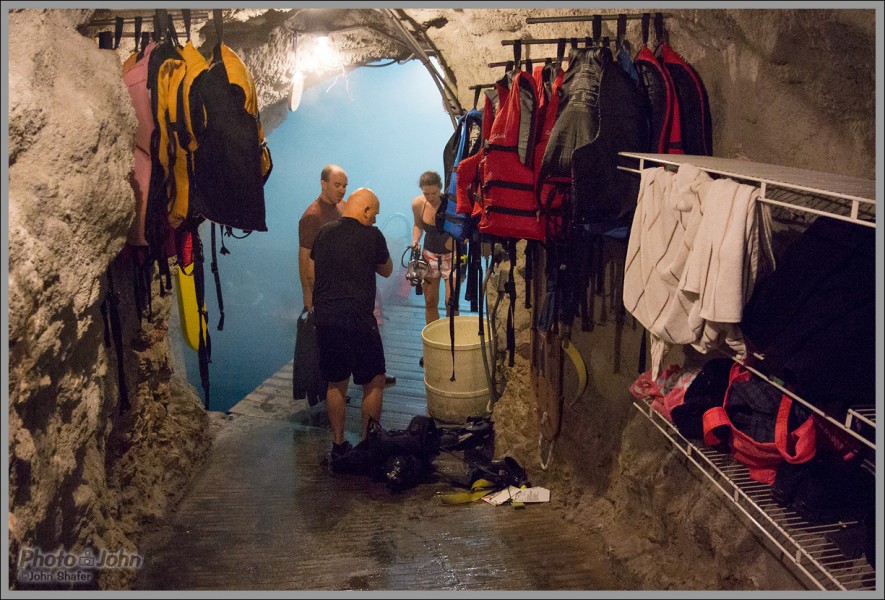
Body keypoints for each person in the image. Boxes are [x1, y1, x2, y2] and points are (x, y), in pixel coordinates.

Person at [311, 188, 393, 459]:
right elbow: (387, 269)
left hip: (325, 317)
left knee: (336, 382)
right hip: (357, 318)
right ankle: (370, 445)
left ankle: (338, 443)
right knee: (374, 379)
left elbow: (315, 266)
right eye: (374, 214)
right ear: (365, 210)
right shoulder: (372, 235)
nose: (375, 220)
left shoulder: (323, 232)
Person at [298, 165, 395, 389]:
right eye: (336, 185)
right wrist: (308, 293)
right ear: (323, 183)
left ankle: (369, 375)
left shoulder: (344, 207)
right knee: (334, 362)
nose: (341, 190)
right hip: (330, 293)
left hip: (355, 287)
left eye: (344, 186)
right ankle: (333, 385)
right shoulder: (313, 216)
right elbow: (305, 259)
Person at [410, 170, 457, 327]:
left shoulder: (450, 203)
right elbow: (418, 224)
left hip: (451, 255)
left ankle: (452, 340)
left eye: (434, 193)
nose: (430, 197)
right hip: (429, 255)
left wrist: (454, 240)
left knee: (451, 302)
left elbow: (463, 228)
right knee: (430, 300)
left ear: (441, 188)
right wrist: (415, 240)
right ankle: (432, 339)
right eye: (426, 193)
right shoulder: (418, 204)